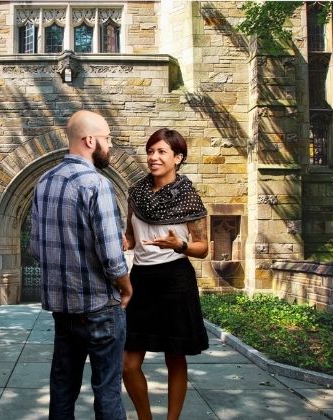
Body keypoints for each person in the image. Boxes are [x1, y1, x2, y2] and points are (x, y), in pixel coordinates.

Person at [30, 110, 133, 420]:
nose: (110, 146)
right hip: (100, 308)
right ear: (90, 140)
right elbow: (112, 257)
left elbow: (36, 246)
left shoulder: (44, 182)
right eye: (107, 139)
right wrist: (126, 289)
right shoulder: (96, 184)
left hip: (63, 311)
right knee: (107, 390)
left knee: (62, 388)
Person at [122, 128, 209, 420]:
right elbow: (130, 238)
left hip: (175, 279)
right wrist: (118, 241)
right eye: (150, 151)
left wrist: (180, 245)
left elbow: (203, 247)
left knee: (175, 356)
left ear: (178, 158)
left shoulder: (189, 197)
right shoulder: (135, 193)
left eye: (161, 152)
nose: (153, 157)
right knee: (128, 363)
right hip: (141, 281)